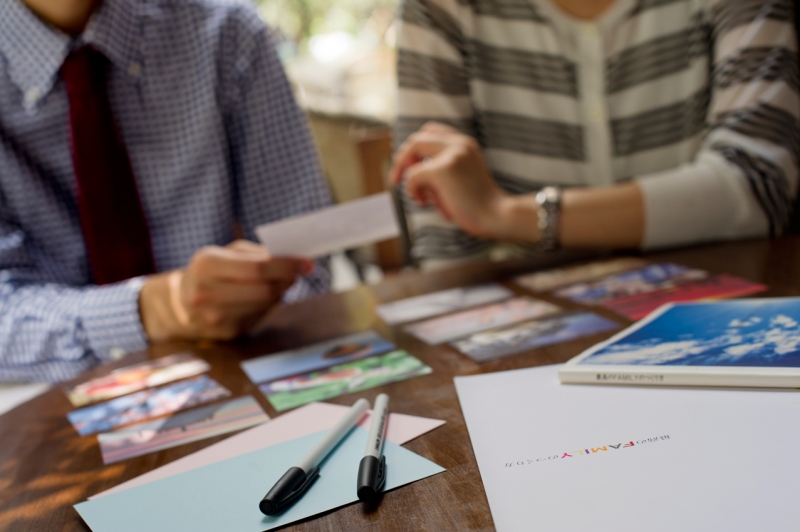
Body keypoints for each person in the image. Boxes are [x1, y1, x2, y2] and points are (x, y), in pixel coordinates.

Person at [0, 0, 332, 382]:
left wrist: (261, 289)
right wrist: (148, 309)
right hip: (50, 404)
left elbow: (307, 265)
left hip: (247, 368)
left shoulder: (227, 32)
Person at [390, 0, 799, 269]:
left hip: (722, 310)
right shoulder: (438, 9)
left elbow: (755, 187)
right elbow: (446, 251)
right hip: (529, 340)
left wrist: (504, 215)